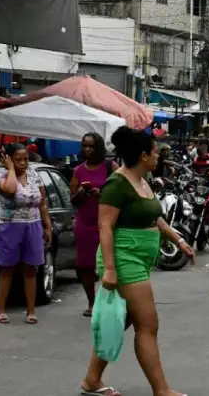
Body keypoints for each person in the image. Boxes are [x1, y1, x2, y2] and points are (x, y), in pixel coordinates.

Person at [80, 126, 193, 396]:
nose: (158, 156)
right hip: (123, 258)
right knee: (148, 324)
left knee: (122, 322)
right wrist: (109, 269)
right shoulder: (117, 184)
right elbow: (105, 226)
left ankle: (92, 380)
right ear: (143, 155)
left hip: (139, 259)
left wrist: (178, 240)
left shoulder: (142, 180)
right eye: (155, 152)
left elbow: (155, 217)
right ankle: (161, 389)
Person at [0, 143, 53, 325]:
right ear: (9, 159)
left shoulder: (35, 175)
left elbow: (42, 203)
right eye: (18, 159)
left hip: (32, 225)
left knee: (30, 269)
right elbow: (10, 190)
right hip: (10, 225)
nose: (23, 163)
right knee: (6, 269)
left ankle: (31, 310)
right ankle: (2, 311)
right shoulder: (1, 176)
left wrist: (47, 226)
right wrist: (10, 169)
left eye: (25, 159)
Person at [70, 132, 118, 318]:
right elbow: (72, 199)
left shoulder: (110, 166)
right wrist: (81, 193)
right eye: (84, 146)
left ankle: (110, 301)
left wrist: (102, 193)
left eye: (91, 146)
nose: (87, 149)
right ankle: (91, 302)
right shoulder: (78, 171)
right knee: (86, 265)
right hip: (85, 223)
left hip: (107, 222)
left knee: (111, 263)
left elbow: (122, 190)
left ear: (98, 147)